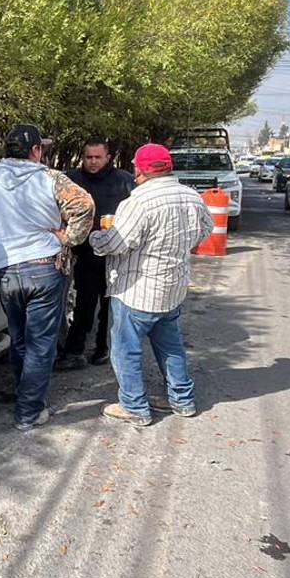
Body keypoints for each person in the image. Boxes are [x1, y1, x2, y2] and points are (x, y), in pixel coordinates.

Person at [0, 124, 95, 431]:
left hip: (6, 270)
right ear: (35, 150)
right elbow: (84, 204)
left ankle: (26, 395)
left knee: (18, 340)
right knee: (40, 345)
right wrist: (69, 238)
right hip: (44, 268)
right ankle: (29, 411)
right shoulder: (50, 178)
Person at [89, 143, 214, 427]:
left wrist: (96, 237)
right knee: (170, 346)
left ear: (141, 170)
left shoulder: (139, 202)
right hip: (173, 288)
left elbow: (116, 244)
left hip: (137, 290)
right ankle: (182, 400)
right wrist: (179, 245)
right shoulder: (191, 196)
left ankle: (134, 406)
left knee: (125, 349)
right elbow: (206, 229)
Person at [55, 138, 135, 371]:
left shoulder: (124, 181)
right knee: (84, 305)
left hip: (116, 255)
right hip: (84, 255)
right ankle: (74, 351)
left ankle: (104, 348)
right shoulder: (70, 180)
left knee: (111, 307)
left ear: (108, 158)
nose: (92, 162)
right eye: (88, 157)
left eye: (97, 157)